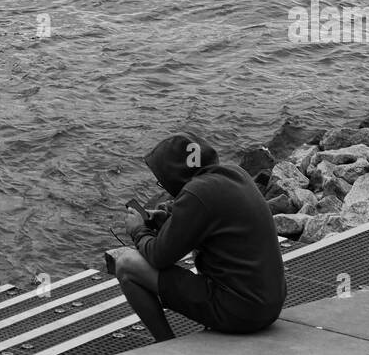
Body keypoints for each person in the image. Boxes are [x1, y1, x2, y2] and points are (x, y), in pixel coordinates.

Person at [106, 132, 286, 342]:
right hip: (269, 306)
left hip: (240, 313)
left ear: (174, 176)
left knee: (127, 264)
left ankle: (165, 343)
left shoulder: (196, 192)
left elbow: (158, 257)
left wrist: (138, 230)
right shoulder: (236, 174)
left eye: (162, 182)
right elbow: (210, 218)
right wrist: (167, 218)